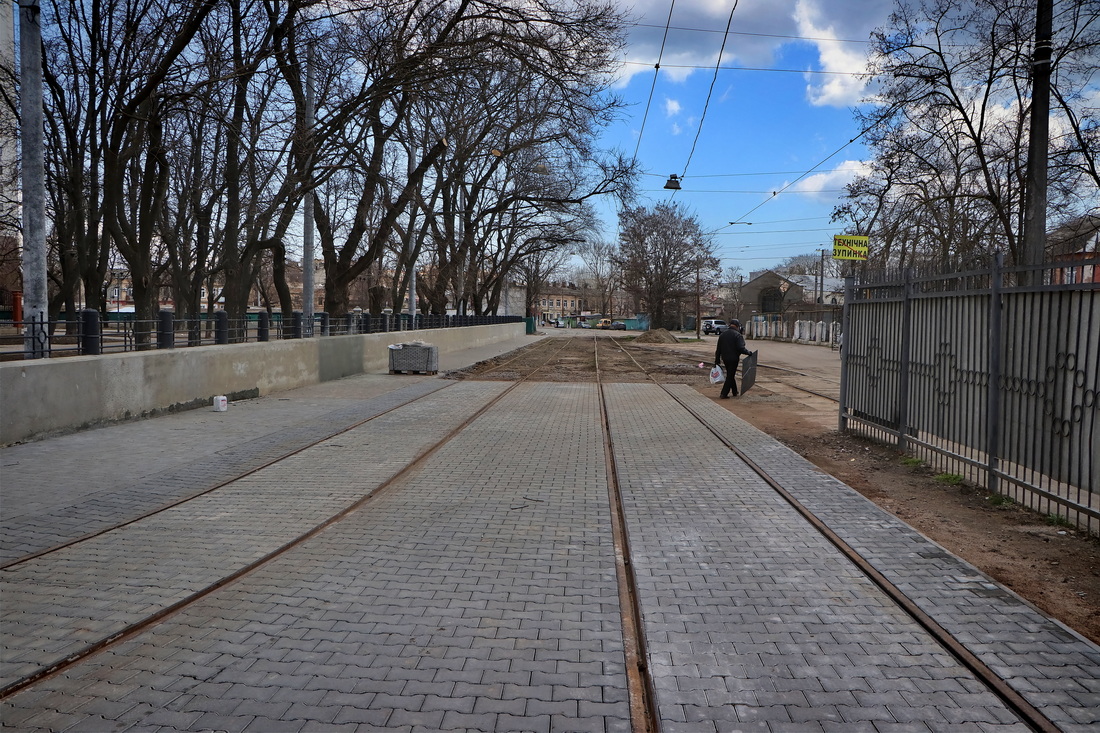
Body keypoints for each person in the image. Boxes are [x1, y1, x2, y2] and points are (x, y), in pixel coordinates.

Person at [714, 319, 752, 398]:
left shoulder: (723, 334)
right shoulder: (737, 335)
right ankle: (724, 393)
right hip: (734, 359)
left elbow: (718, 349)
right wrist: (748, 352)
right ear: (738, 326)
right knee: (730, 376)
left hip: (725, 358)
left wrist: (717, 360)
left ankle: (734, 391)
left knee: (730, 374)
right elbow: (740, 348)